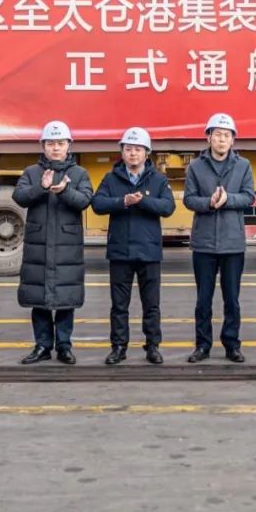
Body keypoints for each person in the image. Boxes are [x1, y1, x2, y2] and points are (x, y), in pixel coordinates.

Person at [91, 127, 176, 365]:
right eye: (128, 149)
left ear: (147, 153)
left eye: (138, 149)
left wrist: (143, 201)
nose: (133, 154)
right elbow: (97, 204)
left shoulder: (158, 179)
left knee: (152, 304)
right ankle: (119, 347)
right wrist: (123, 201)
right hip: (120, 251)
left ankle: (153, 346)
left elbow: (168, 207)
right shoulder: (111, 178)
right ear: (122, 152)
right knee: (119, 305)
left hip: (149, 251)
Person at [14, 120, 94, 365]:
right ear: (43, 146)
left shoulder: (79, 174)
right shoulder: (31, 172)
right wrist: (41, 187)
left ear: (69, 145)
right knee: (39, 300)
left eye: (60, 143)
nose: (56, 148)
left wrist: (65, 191)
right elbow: (19, 196)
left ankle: (64, 346)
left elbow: (85, 200)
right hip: (38, 246)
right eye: (51, 143)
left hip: (66, 248)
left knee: (65, 299)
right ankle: (42, 346)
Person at [183, 113, 255, 364]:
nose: (222, 139)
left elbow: (249, 196)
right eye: (217, 135)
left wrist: (227, 200)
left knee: (231, 299)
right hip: (203, 243)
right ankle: (202, 345)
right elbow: (189, 199)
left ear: (233, 140)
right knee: (203, 299)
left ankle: (232, 344)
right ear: (208, 137)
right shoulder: (195, 166)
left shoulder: (243, 165)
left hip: (233, 243)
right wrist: (209, 203)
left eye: (226, 135)